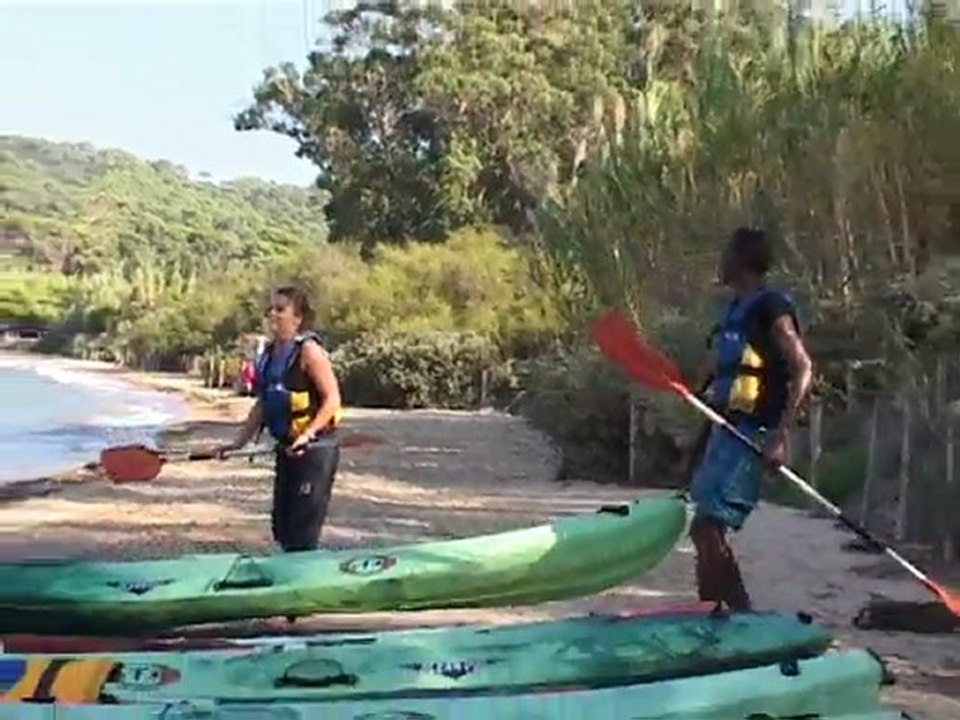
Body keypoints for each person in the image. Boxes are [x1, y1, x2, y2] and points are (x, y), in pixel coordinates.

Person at [686, 227, 813, 611]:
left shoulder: (771, 307)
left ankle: (737, 613)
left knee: (708, 526)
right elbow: (717, 375)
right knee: (702, 528)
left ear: (742, 260)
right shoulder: (731, 313)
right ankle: (715, 611)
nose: (721, 261)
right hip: (727, 430)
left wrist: (780, 437)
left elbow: (803, 368)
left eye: (727, 254)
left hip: (755, 433)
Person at [219, 286, 343, 552]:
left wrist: (308, 434)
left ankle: (305, 569)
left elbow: (332, 399)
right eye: (270, 309)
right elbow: (263, 404)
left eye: (280, 309)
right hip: (286, 449)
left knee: (302, 532)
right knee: (282, 527)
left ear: (298, 318)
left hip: (315, 451)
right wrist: (237, 443)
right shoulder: (267, 355)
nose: (272, 315)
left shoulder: (309, 352)